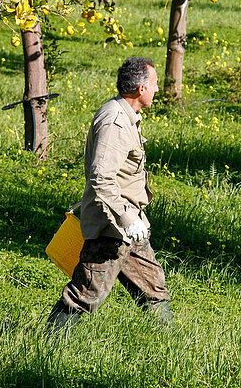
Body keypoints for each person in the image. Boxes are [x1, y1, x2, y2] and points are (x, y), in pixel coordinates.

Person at [47, 56, 172, 329]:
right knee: (86, 293)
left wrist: (133, 220)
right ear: (140, 89)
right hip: (111, 226)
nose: (157, 90)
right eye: (154, 84)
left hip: (130, 225)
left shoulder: (128, 116)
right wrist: (128, 219)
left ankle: (170, 343)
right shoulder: (114, 122)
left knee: (152, 285)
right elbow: (100, 179)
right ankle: (47, 347)